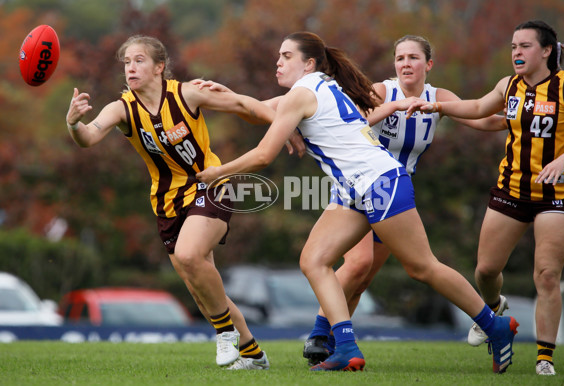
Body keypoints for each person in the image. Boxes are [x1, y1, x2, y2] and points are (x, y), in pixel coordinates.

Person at [197, 31, 519, 373]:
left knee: (422, 266)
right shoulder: (320, 86)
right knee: (314, 260)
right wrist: (226, 93)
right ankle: (346, 347)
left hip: (381, 183)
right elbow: (257, 109)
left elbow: (263, 155)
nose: (278, 61)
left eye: (286, 56)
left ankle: (494, 325)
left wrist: (219, 172)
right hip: (358, 190)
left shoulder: (304, 92)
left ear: (309, 63)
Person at [65, 35, 281, 370]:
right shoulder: (121, 108)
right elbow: (88, 138)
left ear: (159, 67)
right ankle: (253, 353)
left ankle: (224, 334)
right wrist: (73, 123)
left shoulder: (186, 93)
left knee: (189, 254)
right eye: (126, 62)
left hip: (210, 184)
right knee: (201, 287)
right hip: (166, 202)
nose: (131, 68)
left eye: (138, 60)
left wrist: (284, 125)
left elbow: (241, 105)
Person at [407, 20, 564, 376]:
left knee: (545, 275)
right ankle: (494, 308)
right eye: (513, 46)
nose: (517, 53)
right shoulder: (508, 85)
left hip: (556, 194)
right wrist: (438, 107)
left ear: (546, 51)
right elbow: (480, 107)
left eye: (525, 46)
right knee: (485, 270)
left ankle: (544, 358)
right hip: (511, 190)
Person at [302, 35, 507, 367]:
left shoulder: (437, 98)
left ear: (428, 64)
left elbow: (482, 118)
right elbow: (350, 125)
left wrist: (520, 121)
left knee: (373, 274)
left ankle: (331, 342)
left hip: (392, 190)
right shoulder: (383, 92)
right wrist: (393, 107)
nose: (406, 64)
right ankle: (321, 335)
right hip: (357, 185)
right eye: (400, 58)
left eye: (413, 58)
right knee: (356, 264)